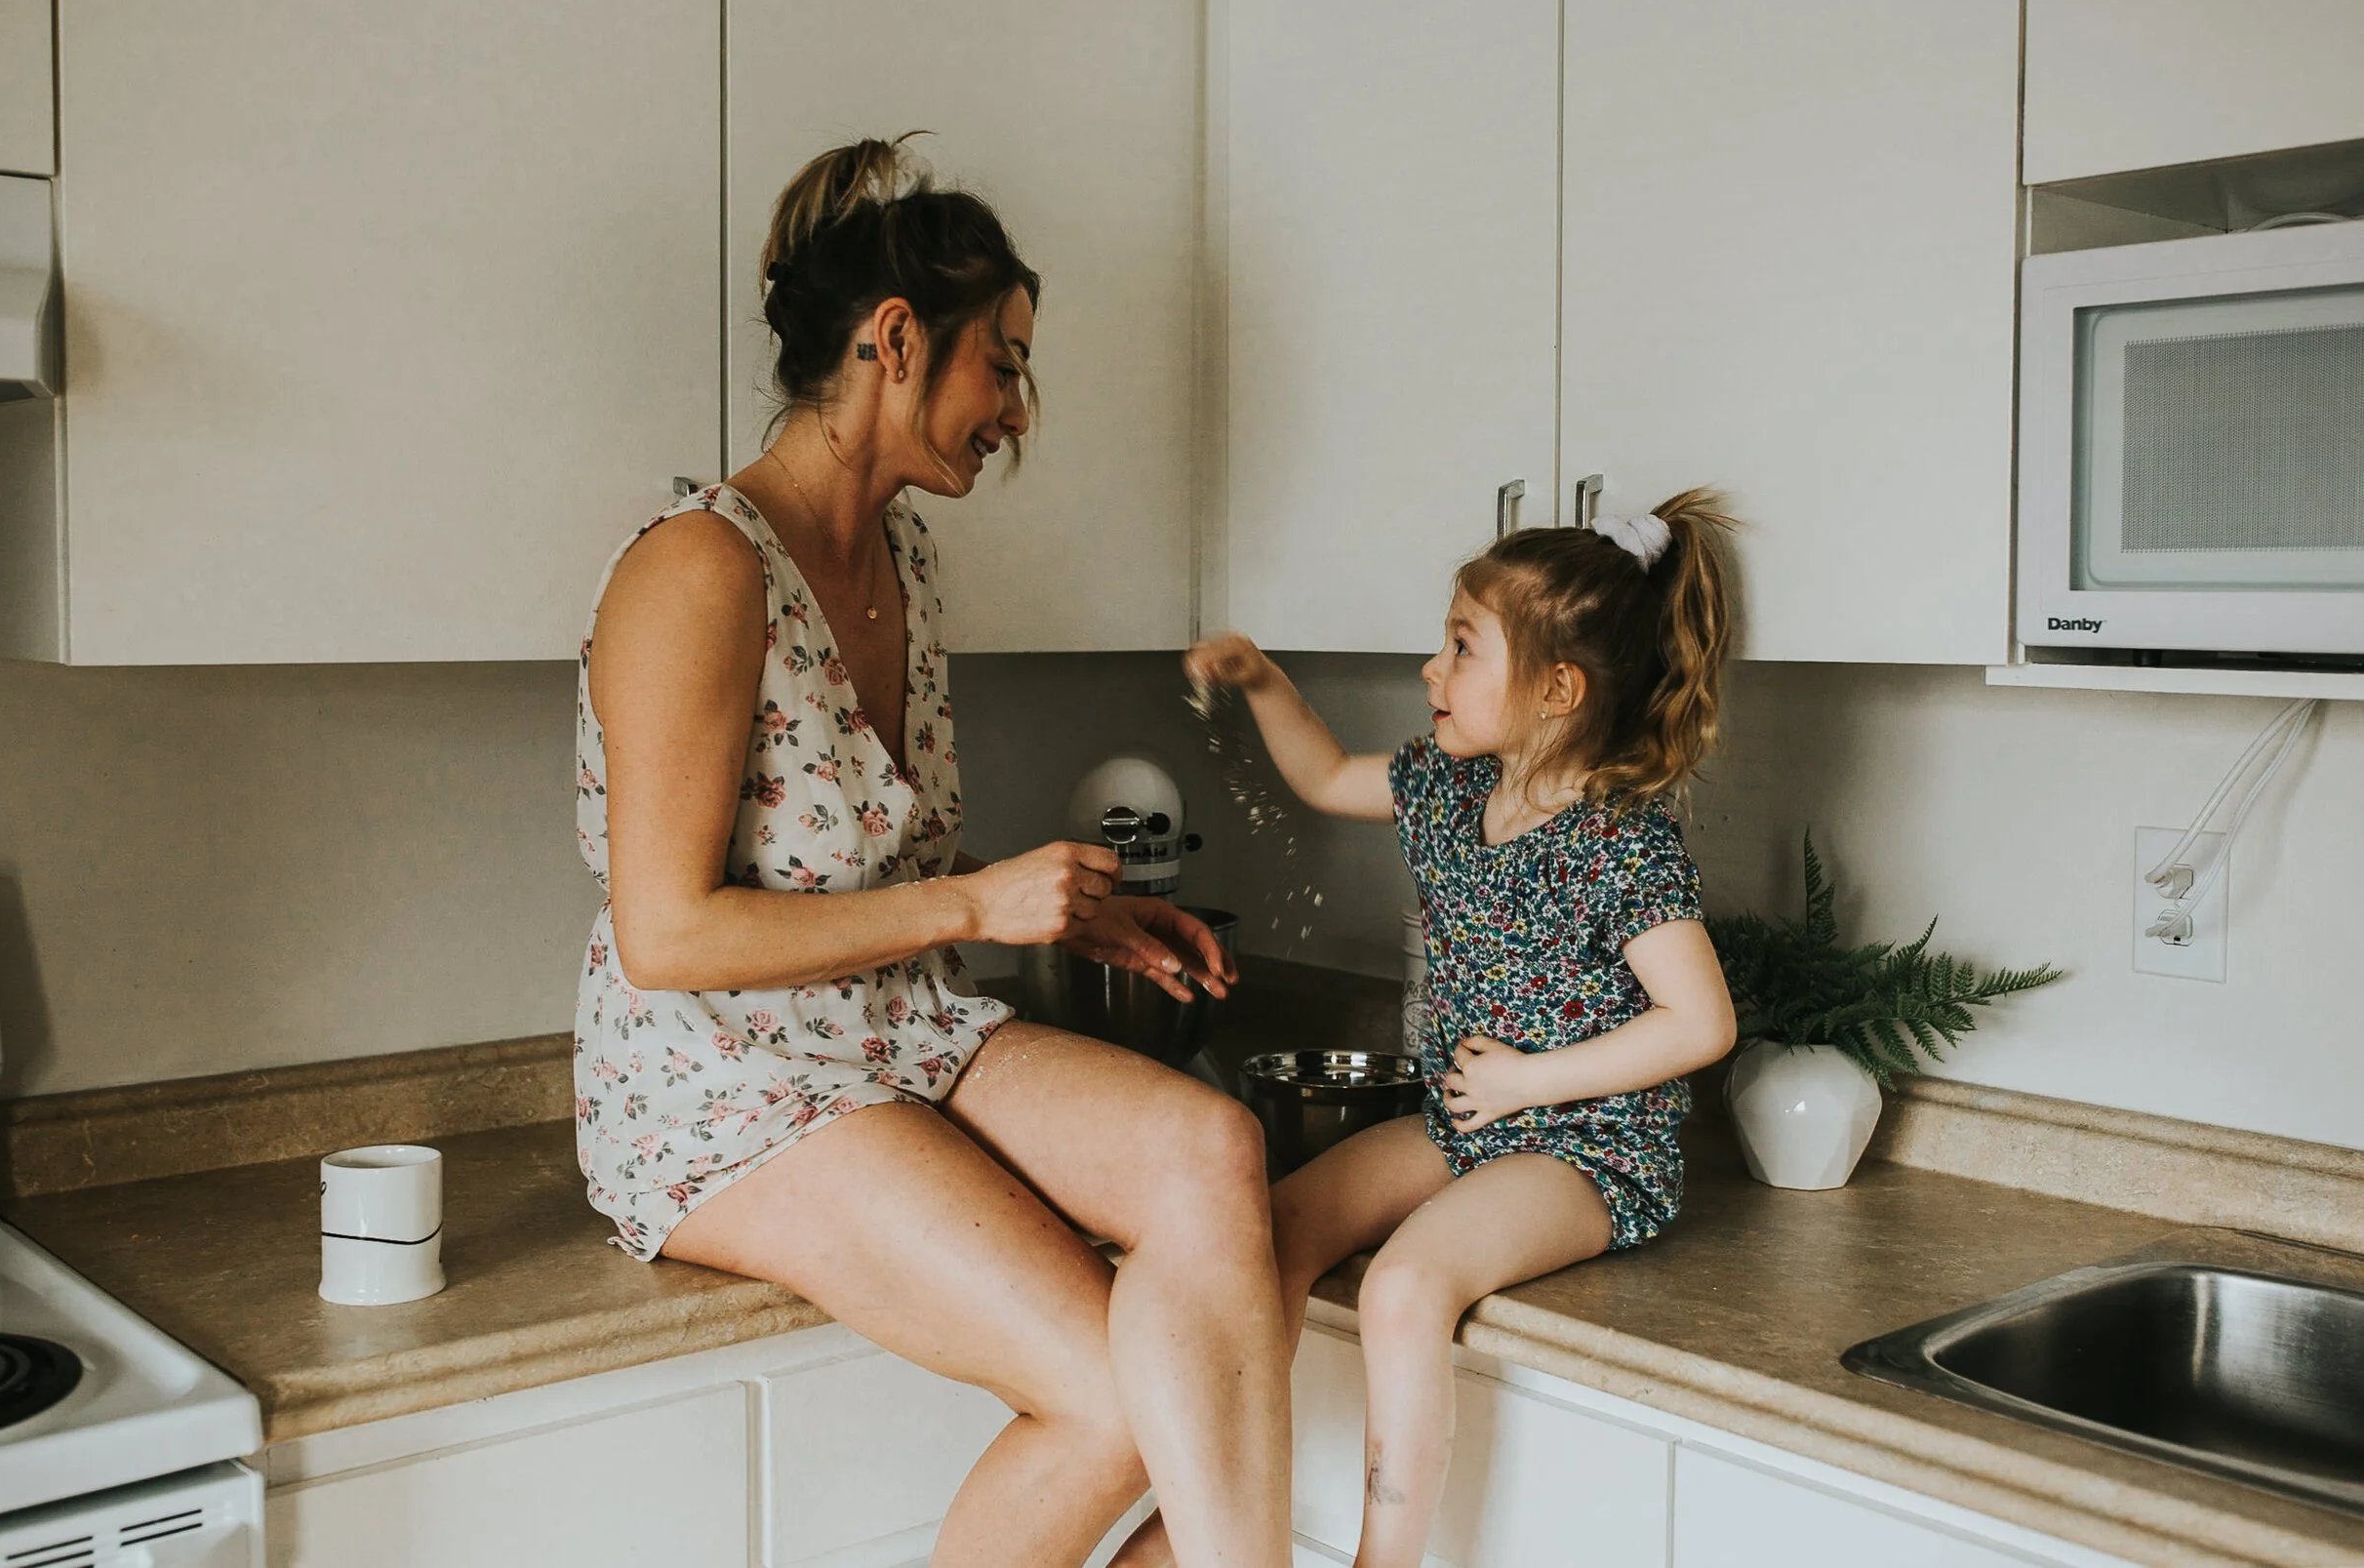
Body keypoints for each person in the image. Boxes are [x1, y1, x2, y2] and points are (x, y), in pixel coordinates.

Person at [574, 137, 1292, 1568]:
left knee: (1213, 1144)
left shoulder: (903, 559)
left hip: (896, 1027)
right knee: (1113, 1394)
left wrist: (1054, 915)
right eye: (1004, 365)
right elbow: (670, 932)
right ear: (895, 342)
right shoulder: (698, 569)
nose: (1018, 410)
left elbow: (880, 883)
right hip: (725, 1082)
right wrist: (978, 899)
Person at [1183, 493, 1742, 1568]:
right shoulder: (1447, 789)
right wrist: (1262, 681)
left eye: (1459, 646)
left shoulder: (1621, 843)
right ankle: (1236, 1501)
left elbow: (1700, 1021)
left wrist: (1534, 1080)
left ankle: (1380, 1560)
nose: (1429, 670)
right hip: (1466, 1119)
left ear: (1555, 688)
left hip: (1583, 1149)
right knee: (1271, 1228)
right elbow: (1322, 775)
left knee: (1404, 1284)